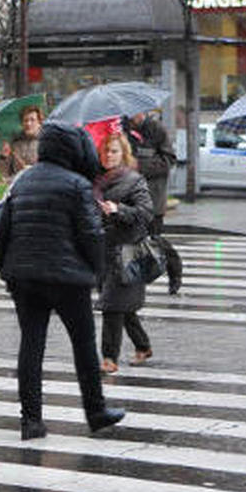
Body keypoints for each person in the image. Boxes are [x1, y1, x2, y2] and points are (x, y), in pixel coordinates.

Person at [0, 121, 125, 441]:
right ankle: (96, 412)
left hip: (24, 276)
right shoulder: (75, 184)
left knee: (31, 345)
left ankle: (31, 420)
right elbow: (91, 234)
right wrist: (97, 273)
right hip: (67, 278)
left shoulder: (21, 180)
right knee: (83, 344)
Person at [95, 132, 155, 373]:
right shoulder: (96, 180)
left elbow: (145, 213)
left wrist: (118, 209)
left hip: (126, 253)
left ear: (123, 154)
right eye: (106, 151)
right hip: (103, 252)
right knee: (123, 306)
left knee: (112, 305)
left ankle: (109, 357)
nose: (109, 156)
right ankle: (143, 346)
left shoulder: (134, 180)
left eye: (114, 151)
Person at [125, 111, 183, 294]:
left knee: (154, 240)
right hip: (129, 197)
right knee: (128, 241)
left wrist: (139, 166)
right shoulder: (123, 130)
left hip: (152, 199)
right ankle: (130, 283)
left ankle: (175, 270)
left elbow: (169, 161)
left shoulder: (156, 130)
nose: (130, 116)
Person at [0, 105, 42, 183]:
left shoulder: (46, 143)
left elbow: (52, 170)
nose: (28, 124)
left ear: (39, 122)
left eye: (32, 120)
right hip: (20, 190)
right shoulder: (15, 144)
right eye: (25, 120)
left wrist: (32, 170)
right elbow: (5, 174)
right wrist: (4, 157)